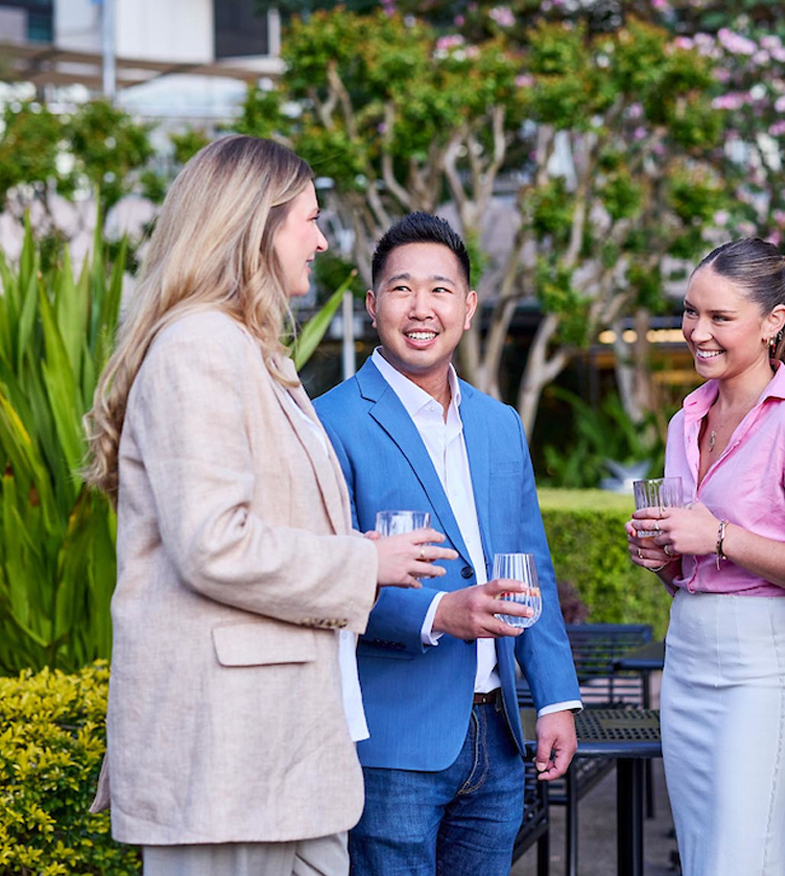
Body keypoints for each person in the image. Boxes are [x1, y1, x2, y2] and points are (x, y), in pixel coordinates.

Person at [83, 135, 456, 875]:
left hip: (275, 758)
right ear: (254, 226)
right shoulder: (199, 346)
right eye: (308, 220)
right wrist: (364, 561)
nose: (320, 241)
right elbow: (214, 544)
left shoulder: (247, 349)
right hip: (228, 759)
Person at [314, 212, 583, 876]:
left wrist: (555, 699)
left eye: (439, 290)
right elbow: (318, 578)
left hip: (498, 735)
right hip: (393, 738)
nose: (420, 307)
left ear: (467, 308)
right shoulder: (327, 421)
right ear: (372, 306)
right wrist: (439, 614)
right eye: (401, 289)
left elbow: (532, 567)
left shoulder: (499, 424)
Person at [625, 238, 785, 875]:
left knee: (742, 865)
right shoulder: (686, 421)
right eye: (690, 312)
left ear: (773, 323)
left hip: (767, 668)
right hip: (690, 653)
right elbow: (690, 562)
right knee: (702, 862)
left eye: (720, 317)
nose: (697, 332)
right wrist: (665, 553)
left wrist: (721, 537)